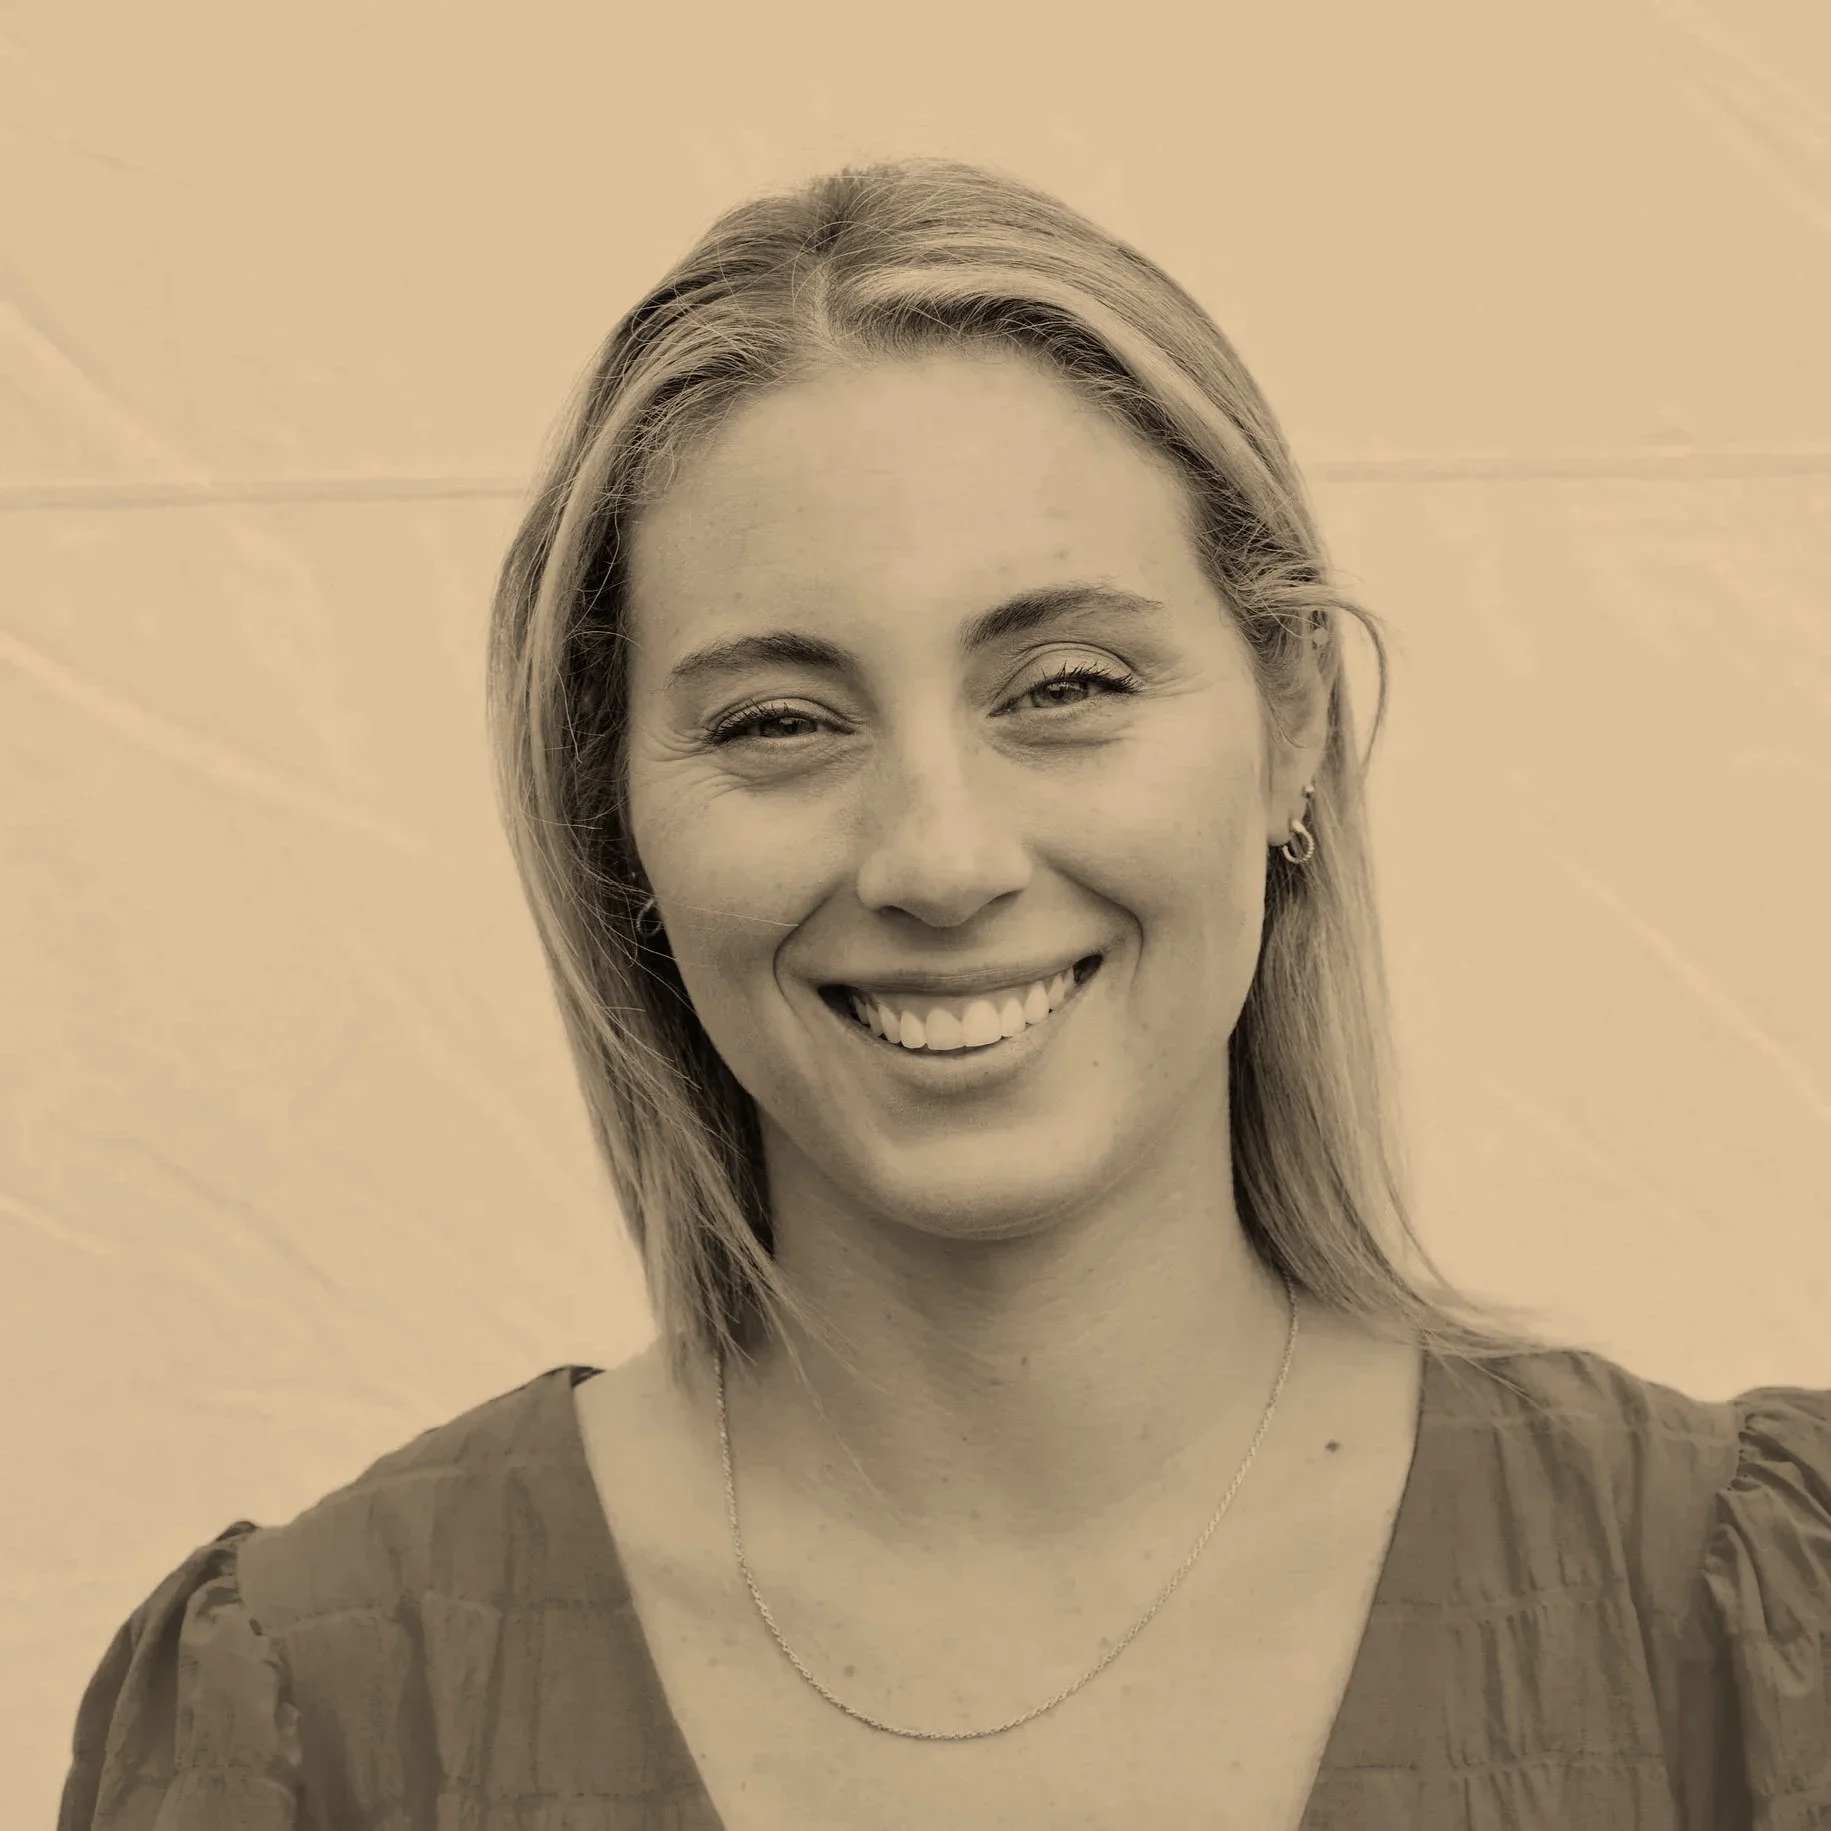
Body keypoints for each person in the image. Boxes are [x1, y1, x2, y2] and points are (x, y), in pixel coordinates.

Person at [60, 157, 1830, 1830]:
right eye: (776, 720)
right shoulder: (319, 1715)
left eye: (1060, 681)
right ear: (616, 821)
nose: (937, 854)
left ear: (1290, 723)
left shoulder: (1742, 1629)